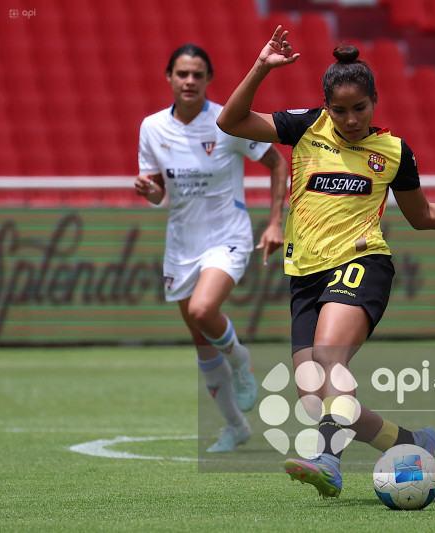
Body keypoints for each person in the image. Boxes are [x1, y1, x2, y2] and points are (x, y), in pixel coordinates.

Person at [216, 26, 435, 500]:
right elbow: (231, 122)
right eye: (340, 110)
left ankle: (329, 463)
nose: (351, 119)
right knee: (318, 402)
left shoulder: (395, 152)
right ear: (326, 106)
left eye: (360, 108)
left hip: (362, 264)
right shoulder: (305, 128)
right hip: (305, 275)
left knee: (332, 359)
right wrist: (261, 68)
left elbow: (422, 215)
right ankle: (418, 444)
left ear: (375, 101)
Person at [135, 44, 289, 452]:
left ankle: (241, 361)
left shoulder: (225, 122)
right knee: (201, 338)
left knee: (205, 311)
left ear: (208, 80)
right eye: (182, 74)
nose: (189, 81)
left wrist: (276, 221)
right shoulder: (152, 127)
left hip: (228, 236)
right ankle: (236, 427)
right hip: (181, 244)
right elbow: (158, 192)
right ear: (169, 77)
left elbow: (278, 163)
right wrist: (150, 190)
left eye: (197, 75)